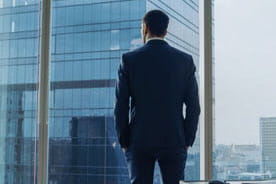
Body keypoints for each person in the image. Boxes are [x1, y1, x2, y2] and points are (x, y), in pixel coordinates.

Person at [114, 9, 200, 184]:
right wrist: (187, 139)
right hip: (174, 139)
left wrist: (124, 140)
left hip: (139, 140)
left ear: (145, 28)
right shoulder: (185, 61)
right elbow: (193, 106)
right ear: (166, 31)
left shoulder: (129, 60)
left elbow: (121, 105)